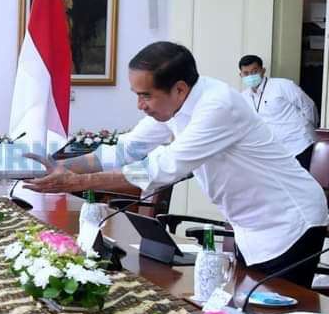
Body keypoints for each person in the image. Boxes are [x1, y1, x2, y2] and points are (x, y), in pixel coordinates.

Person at [25, 41, 328, 288]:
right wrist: (58, 166)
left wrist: (77, 183)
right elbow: (126, 149)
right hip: (251, 225)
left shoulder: (217, 106)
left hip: (290, 222)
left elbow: (160, 169)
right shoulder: (173, 105)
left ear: (179, 89)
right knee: (246, 313)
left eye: (146, 96)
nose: (140, 105)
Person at [238, 54, 318, 171]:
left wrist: (309, 127)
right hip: (275, 153)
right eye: (246, 73)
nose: (250, 76)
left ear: (263, 71)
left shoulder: (282, 85)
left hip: (299, 145)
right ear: (241, 75)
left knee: (304, 181)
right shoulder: (243, 97)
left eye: (254, 71)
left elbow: (309, 106)